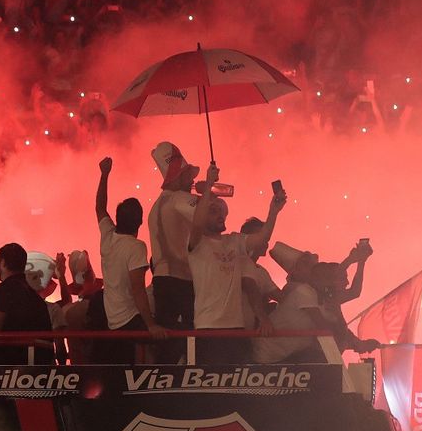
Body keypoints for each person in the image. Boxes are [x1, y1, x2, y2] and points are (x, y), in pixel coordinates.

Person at [187, 165, 286, 363]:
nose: (220, 215)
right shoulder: (196, 243)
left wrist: (273, 212)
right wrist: (208, 187)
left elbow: (260, 240)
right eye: (213, 211)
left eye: (222, 211)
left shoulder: (233, 241)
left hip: (236, 328)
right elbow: (196, 224)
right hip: (208, 327)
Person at [93, 157, 165, 364]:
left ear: (117, 218)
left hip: (113, 317)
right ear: (141, 221)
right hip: (129, 317)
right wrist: (150, 324)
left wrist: (104, 175)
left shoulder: (108, 237)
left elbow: (99, 208)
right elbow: (138, 289)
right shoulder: (136, 247)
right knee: (167, 340)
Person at [146, 142, 201, 362]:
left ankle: (163, 386)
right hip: (180, 281)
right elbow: (209, 215)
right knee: (188, 337)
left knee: (167, 340)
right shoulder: (180, 199)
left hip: (161, 281)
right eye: (188, 174)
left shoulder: (155, 208)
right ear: (178, 175)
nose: (192, 180)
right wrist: (208, 194)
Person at [0, 243, 53, 365]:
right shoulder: (31, 292)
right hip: (36, 364)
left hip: (11, 366)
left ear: (3, 263)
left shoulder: (6, 289)